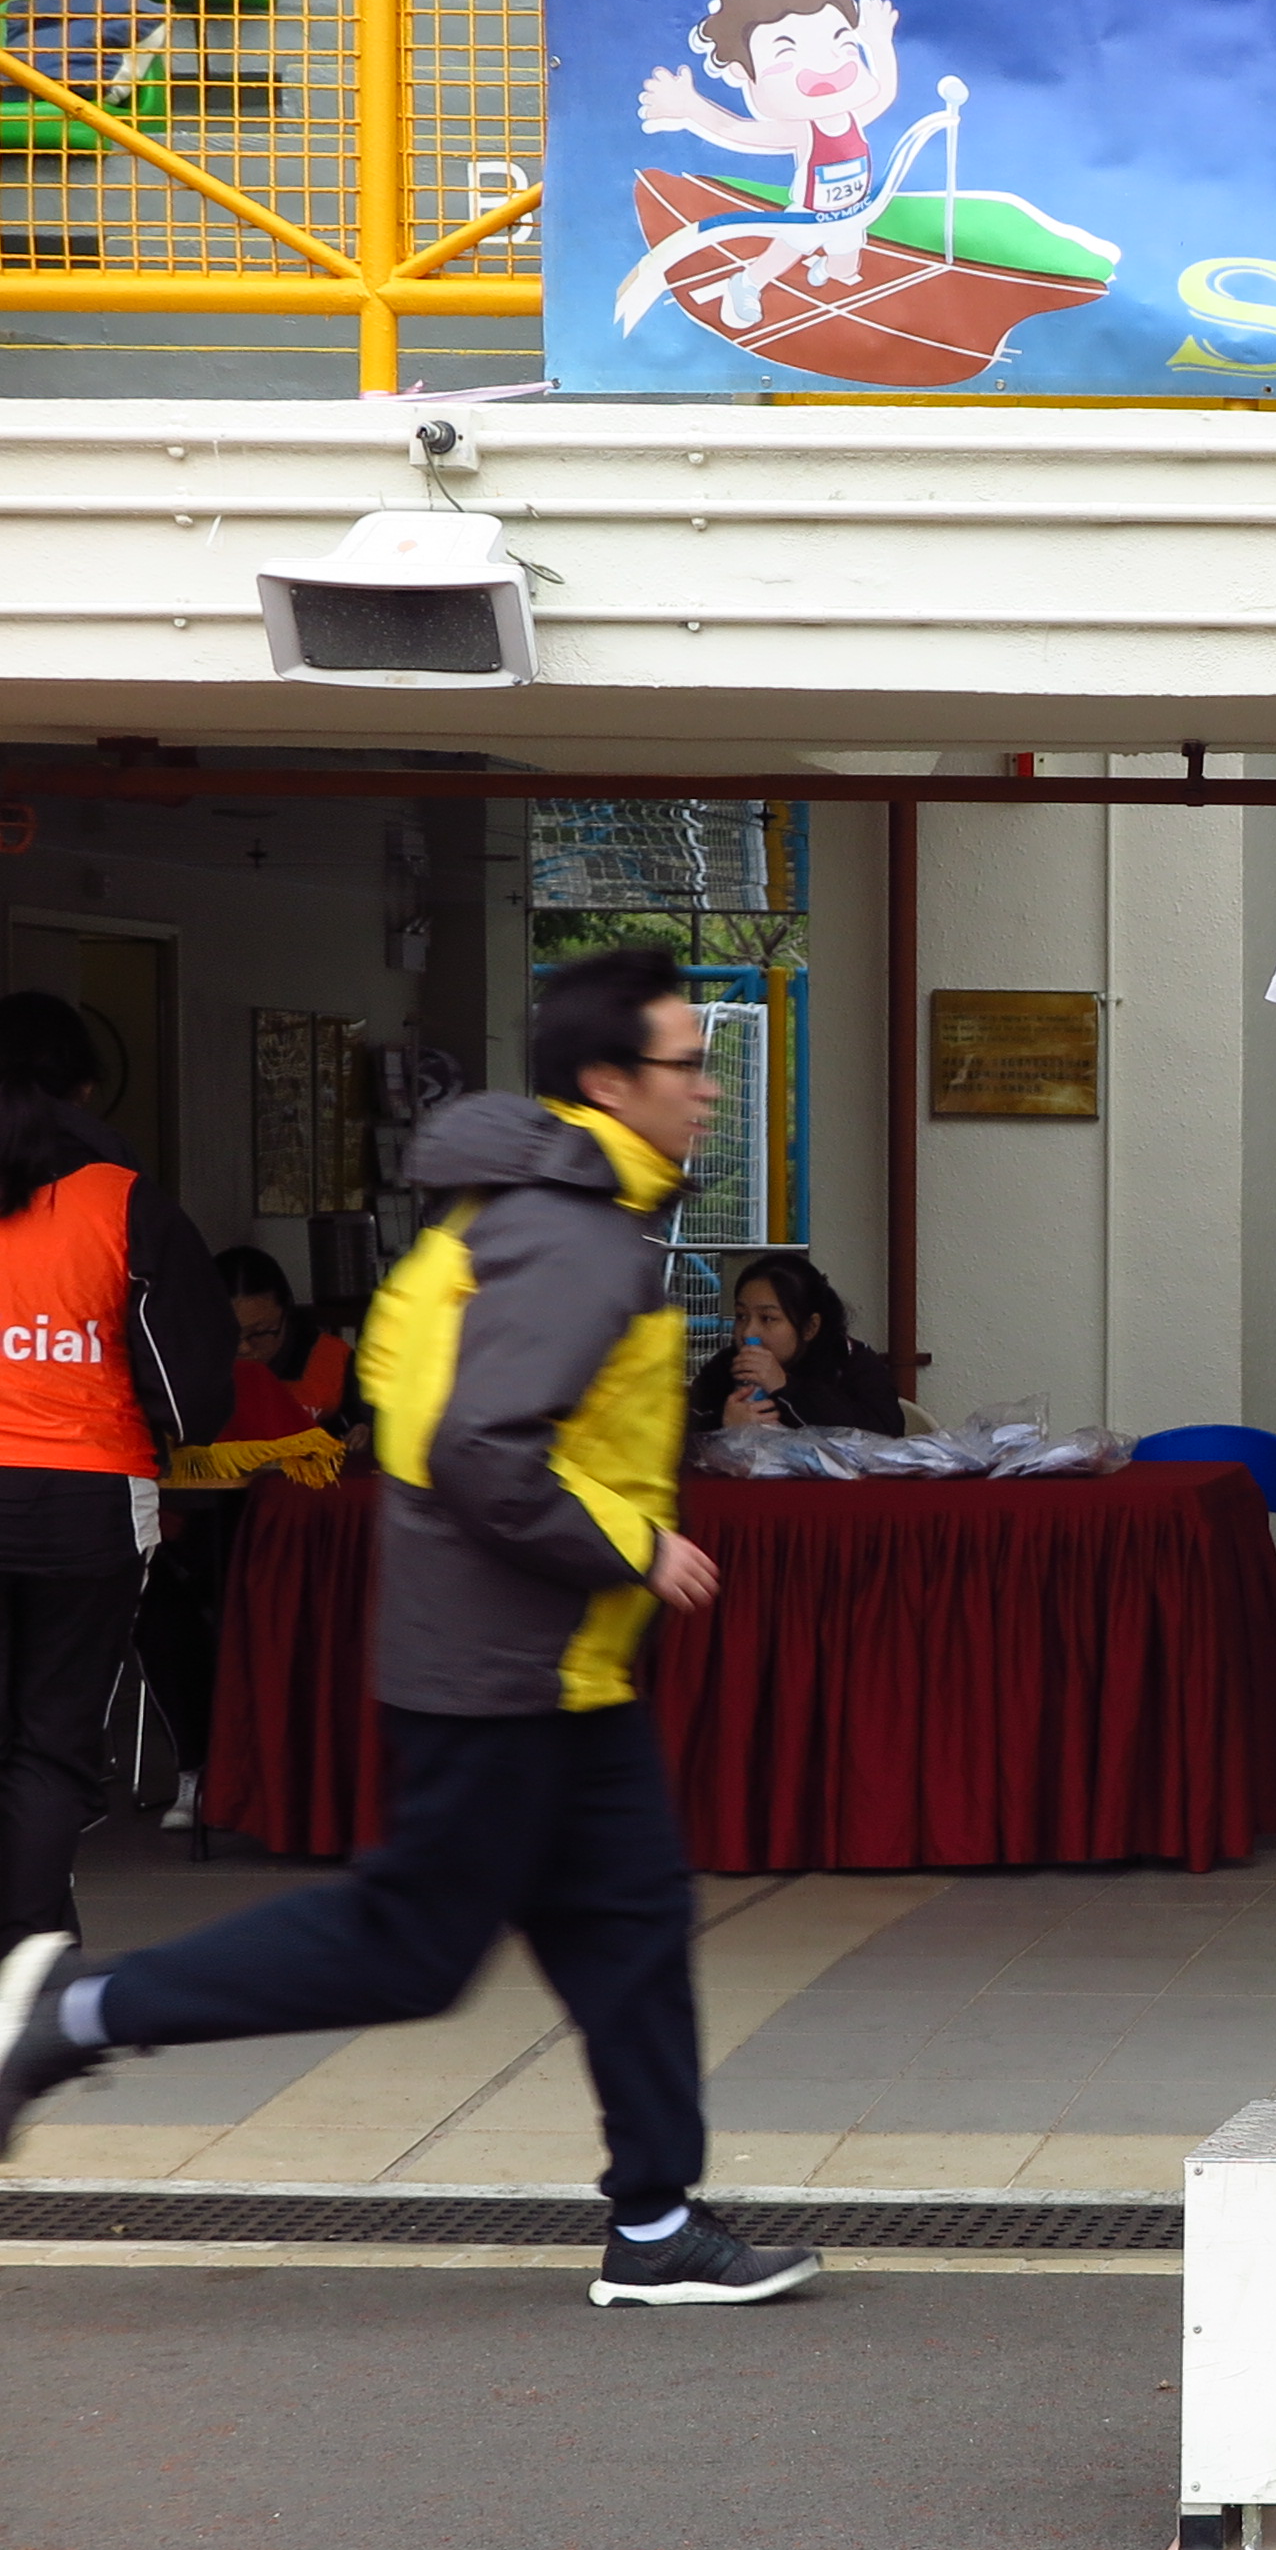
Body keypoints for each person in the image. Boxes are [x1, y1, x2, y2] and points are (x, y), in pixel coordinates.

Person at [0, 949, 823, 2311]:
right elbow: (480, 1448)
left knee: (628, 1924)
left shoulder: (529, 1212)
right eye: (686, 1065)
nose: (708, 1090)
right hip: (502, 1666)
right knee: (408, 1947)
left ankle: (658, 2219)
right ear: (606, 1081)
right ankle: (75, 2015)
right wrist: (634, 1545)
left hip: (555, 1664)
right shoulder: (571, 1240)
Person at [0, 992, 234, 1938]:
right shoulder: (123, 1199)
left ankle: (36, 1944)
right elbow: (191, 1386)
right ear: (86, 1089)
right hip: (87, 1502)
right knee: (51, 1742)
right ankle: (28, 1960)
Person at [685, 1249, 907, 1437]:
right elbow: (681, 1426)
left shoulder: (849, 1361)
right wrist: (723, 1425)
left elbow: (886, 1433)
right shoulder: (728, 1364)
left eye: (767, 1318)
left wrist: (785, 1387)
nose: (748, 1332)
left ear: (810, 1327)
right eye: (741, 1316)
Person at [219, 1244, 353, 1425]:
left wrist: (364, 1431)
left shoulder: (329, 1358)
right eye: (228, 1334)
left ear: (286, 1313)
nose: (244, 1348)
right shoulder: (190, 1369)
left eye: (260, 1332)